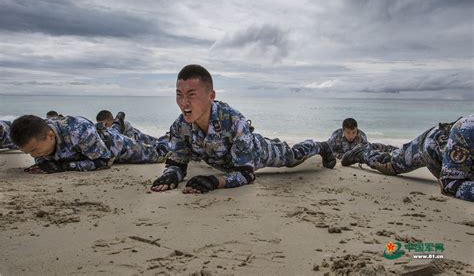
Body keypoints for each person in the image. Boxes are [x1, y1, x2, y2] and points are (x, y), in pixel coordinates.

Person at [151, 64, 335, 194]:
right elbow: (177, 163)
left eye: (191, 95)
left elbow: (247, 175)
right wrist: (171, 176)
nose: (184, 103)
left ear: (211, 96)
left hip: (258, 152)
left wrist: (216, 182)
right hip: (224, 162)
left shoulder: (234, 121)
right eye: (179, 95)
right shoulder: (179, 126)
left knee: (293, 157)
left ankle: (320, 146)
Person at [341, 115, 473, 201]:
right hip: (430, 146)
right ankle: (361, 153)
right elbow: (450, 185)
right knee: (390, 164)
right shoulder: (466, 129)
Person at [10, 115, 169, 174]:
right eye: (28, 153)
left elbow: (103, 161)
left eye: (35, 150)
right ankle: (119, 124)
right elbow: (45, 157)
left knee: (160, 153)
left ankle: (167, 137)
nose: (33, 156)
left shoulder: (77, 129)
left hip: (115, 147)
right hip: (94, 140)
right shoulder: (38, 134)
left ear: (50, 135)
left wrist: (63, 167)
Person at [96, 110, 169, 148]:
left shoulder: (123, 125)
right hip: (136, 136)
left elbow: (133, 143)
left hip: (139, 137)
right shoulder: (114, 129)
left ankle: (168, 136)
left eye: (104, 124)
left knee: (157, 142)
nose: (103, 127)